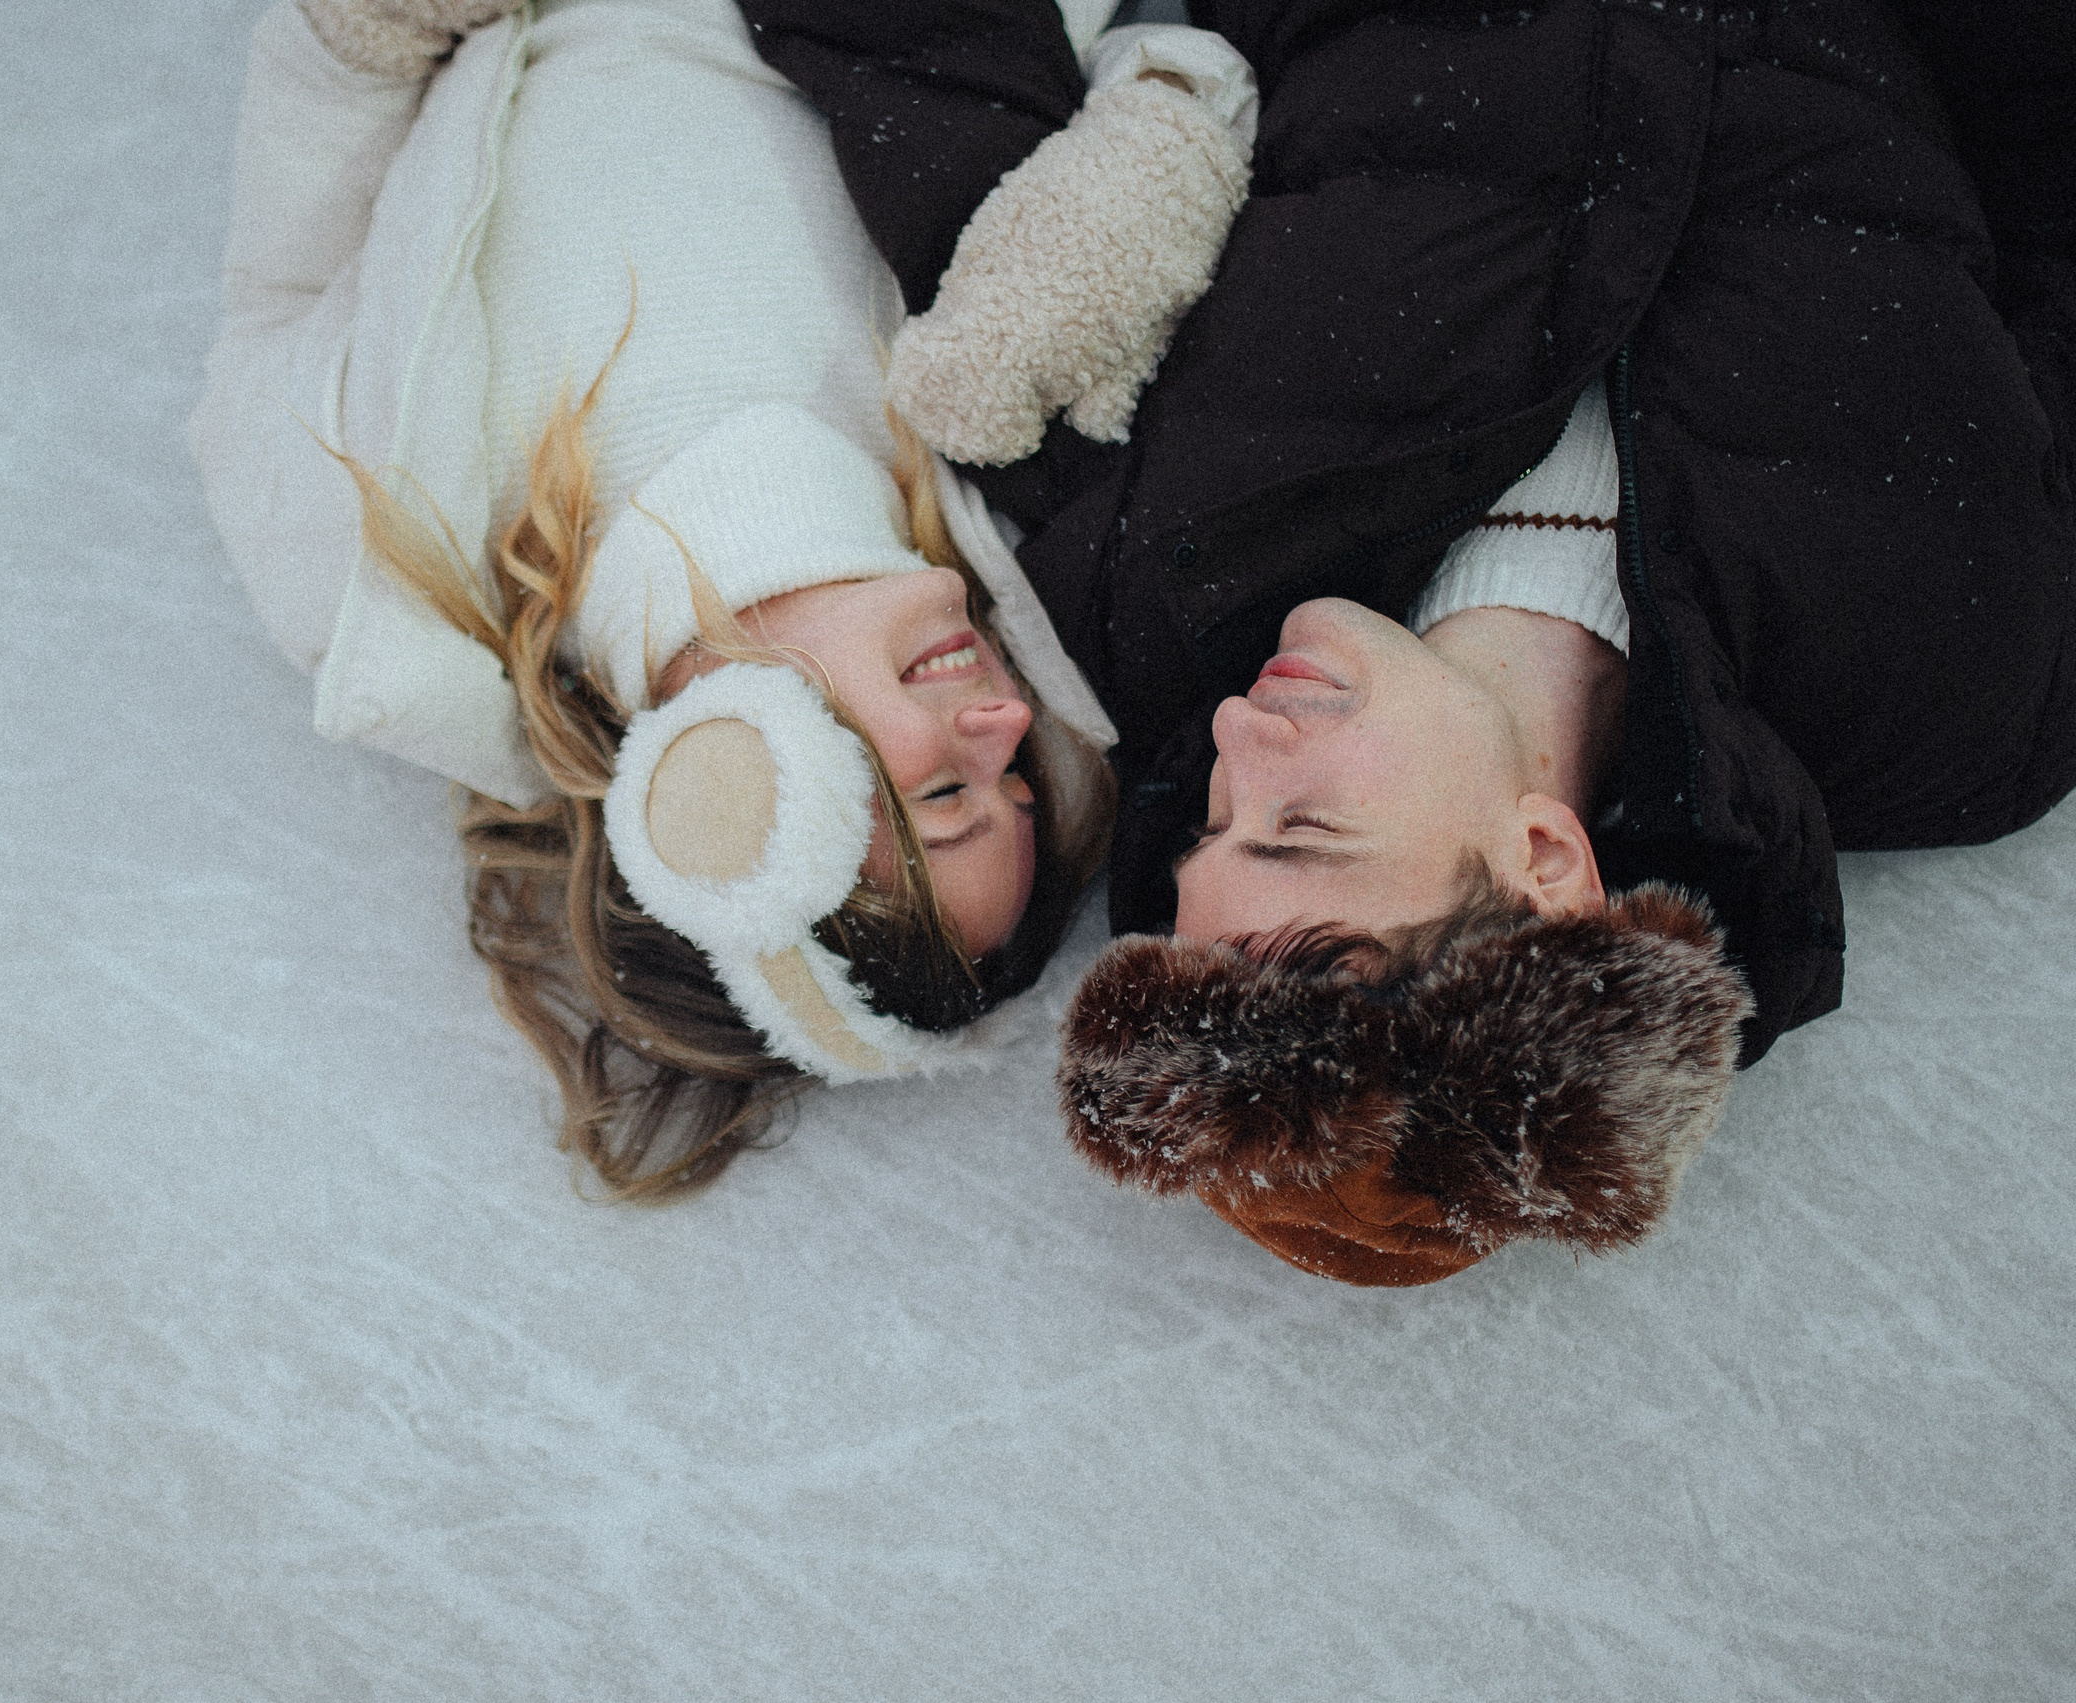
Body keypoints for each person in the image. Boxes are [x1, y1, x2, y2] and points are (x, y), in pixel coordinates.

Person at [742, 0, 2076, 1279]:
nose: (1233, 735)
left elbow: (948, 109)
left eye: (1211, 823)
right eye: (1301, 827)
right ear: (1545, 867)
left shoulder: (1156, 581)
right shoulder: (1965, 690)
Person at [188, 0, 1137, 1198]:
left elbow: (278, 288)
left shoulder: (380, 561)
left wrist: (359, 35)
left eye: (946, 792)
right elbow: (1116, 93)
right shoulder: (1007, 460)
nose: (1003, 723)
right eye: (1018, 780)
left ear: (749, 801)